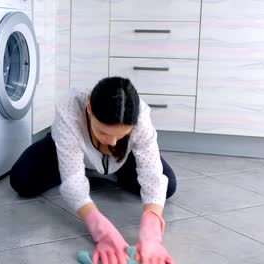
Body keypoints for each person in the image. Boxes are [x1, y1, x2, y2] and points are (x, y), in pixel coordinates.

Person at [10, 76, 177, 264]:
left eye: (121, 135)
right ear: (89, 109)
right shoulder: (69, 110)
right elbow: (73, 183)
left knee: (168, 185)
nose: (112, 141)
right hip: (68, 147)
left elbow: (151, 174)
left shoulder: (141, 118)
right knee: (22, 179)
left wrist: (152, 230)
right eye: (104, 132)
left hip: (119, 159)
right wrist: (102, 230)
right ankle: (77, 169)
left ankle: (107, 173)